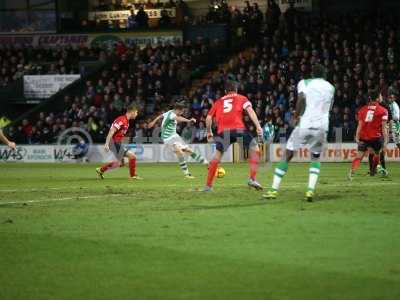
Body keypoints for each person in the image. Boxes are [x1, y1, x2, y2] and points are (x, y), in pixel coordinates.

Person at [263, 64, 335, 202]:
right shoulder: (331, 87)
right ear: (324, 75)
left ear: (312, 73)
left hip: (305, 123)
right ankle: (310, 190)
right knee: (315, 157)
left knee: (288, 154)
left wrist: (295, 116)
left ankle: (273, 190)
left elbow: (301, 98)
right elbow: (329, 107)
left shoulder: (304, 82)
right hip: (322, 126)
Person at [202, 80, 264, 192]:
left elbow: (208, 118)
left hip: (223, 132)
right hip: (238, 129)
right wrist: (258, 126)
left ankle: (208, 186)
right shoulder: (242, 98)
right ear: (236, 90)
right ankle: (252, 178)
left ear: (226, 91)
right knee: (255, 149)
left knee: (216, 157)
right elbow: (250, 110)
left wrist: (209, 132)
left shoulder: (218, 101)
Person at [148, 102, 208, 179]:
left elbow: (160, 116)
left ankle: (207, 164)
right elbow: (179, 118)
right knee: (179, 152)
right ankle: (187, 174)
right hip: (167, 138)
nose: (182, 113)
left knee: (188, 150)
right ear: (178, 110)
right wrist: (189, 120)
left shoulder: (170, 112)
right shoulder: (172, 115)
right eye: (182, 111)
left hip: (175, 136)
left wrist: (153, 121)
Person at [348, 89, 388, 179]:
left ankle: (352, 172)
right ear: (378, 99)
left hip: (363, 136)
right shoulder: (383, 110)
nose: (381, 97)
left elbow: (360, 125)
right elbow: (383, 127)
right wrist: (386, 140)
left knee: (359, 156)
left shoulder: (362, 109)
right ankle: (375, 169)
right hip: (375, 137)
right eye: (380, 96)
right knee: (377, 154)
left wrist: (357, 138)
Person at [96, 103, 142, 180]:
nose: (137, 114)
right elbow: (111, 131)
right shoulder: (122, 120)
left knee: (122, 163)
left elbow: (119, 134)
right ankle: (133, 176)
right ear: (132, 111)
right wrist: (106, 144)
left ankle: (101, 170)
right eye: (136, 112)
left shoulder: (126, 122)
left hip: (116, 143)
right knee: (132, 156)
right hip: (114, 143)